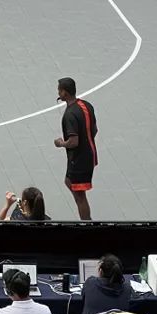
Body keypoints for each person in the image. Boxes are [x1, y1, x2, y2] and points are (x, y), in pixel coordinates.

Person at [54, 77, 98, 221]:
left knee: (80, 195)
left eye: (59, 90)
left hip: (79, 160)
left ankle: (87, 222)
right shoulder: (86, 105)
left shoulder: (70, 115)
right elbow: (94, 130)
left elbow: (73, 142)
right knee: (68, 181)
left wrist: (61, 143)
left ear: (65, 93)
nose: (58, 92)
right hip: (89, 154)